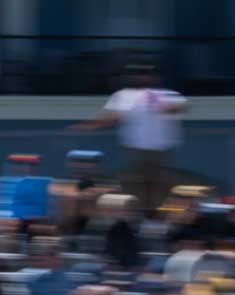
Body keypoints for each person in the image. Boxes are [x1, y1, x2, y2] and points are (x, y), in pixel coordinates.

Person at [73, 63, 186, 213]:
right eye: (139, 73)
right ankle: (137, 219)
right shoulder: (124, 95)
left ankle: (156, 218)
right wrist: (90, 125)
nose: (143, 77)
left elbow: (181, 107)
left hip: (160, 151)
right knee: (134, 185)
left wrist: (159, 103)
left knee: (160, 186)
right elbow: (112, 116)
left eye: (147, 73)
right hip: (134, 150)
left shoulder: (167, 94)